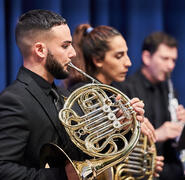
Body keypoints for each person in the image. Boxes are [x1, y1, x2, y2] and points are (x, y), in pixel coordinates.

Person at [0, 10, 145, 180]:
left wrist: (121, 127)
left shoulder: (61, 95)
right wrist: (61, 175)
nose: (73, 53)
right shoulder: (13, 102)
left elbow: (85, 153)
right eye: (65, 46)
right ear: (40, 50)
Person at [65, 24, 164, 178]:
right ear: (98, 60)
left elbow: (115, 155)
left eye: (127, 54)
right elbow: (91, 150)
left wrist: (142, 165)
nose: (128, 62)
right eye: (119, 56)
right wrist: (124, 125)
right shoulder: (84, 94)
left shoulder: (116, 92)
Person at [113, 32, 185, 179]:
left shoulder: (169, 89)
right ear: (147, 57)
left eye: (173, 60)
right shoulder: (125, 89)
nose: (170, 65)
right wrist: (158, 134)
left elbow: (174, 144)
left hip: (172, 169)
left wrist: (183, 127)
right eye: (165, 59)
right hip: (142, 171)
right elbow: (120, 144)